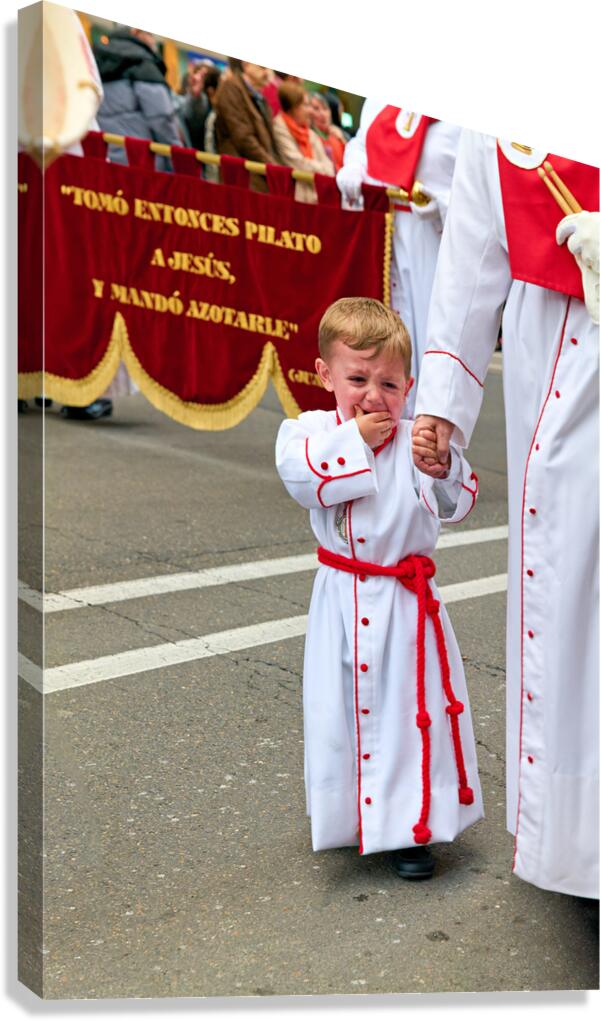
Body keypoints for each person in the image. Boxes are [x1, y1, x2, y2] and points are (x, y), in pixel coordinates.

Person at [411, 131, 599, 899]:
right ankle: (580, 843)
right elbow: (473, 246)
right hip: (558, 322)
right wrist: (442, 406)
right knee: (570, 581)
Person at [275, 297, 483, 880]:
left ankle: (412, 829)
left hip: (404, 607)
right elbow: (304, 477)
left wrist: (444, 465)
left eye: (389, 384)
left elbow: (460, 503)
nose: (373, 396)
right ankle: (350, 816)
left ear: (409, 385)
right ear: (325, 375)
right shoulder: (312, 430)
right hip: (340, 598)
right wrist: (359, 442)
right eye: (357, 379)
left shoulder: (419, 439)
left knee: (406, 715)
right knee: (338, 709)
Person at [336, 101, 460, 416]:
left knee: (429, 334)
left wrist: (448, 206)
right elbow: (362, 143)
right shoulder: (379, 100)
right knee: (375, 334)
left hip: (432, 236)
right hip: (381, 231)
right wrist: (353, 166)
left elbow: (484, 182)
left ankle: (424, 429)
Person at [93, 25, 184, 167]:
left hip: (106, 156)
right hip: (142, 161)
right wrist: (179, 160)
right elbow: (162, 118)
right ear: (136, 31)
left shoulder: (96, 61)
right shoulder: (142, 62)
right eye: (151, 35)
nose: (153, 42)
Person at [214, 60, 280, 191]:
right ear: (245, 64)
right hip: (243, 178)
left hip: (260, 175)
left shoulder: (260, 97)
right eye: (262, 66)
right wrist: (273, 167)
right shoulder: (231, 88)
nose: (267, 73)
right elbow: (243, 138)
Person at [272, 83, 334, 203]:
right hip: (293, 198)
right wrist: (323, 170)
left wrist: (322, 169)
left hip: (316, 197)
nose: (310, 111)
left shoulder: (310, 133)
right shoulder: (279, 127)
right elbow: (297, 163)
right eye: (305, 105)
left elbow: (330, 168)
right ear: (293, 107)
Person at [309, 91, 346, 173]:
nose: (323, 114)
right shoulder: (309, 137)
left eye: (325, 108)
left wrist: (342, 139)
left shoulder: (338, 135)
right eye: (316, 109)